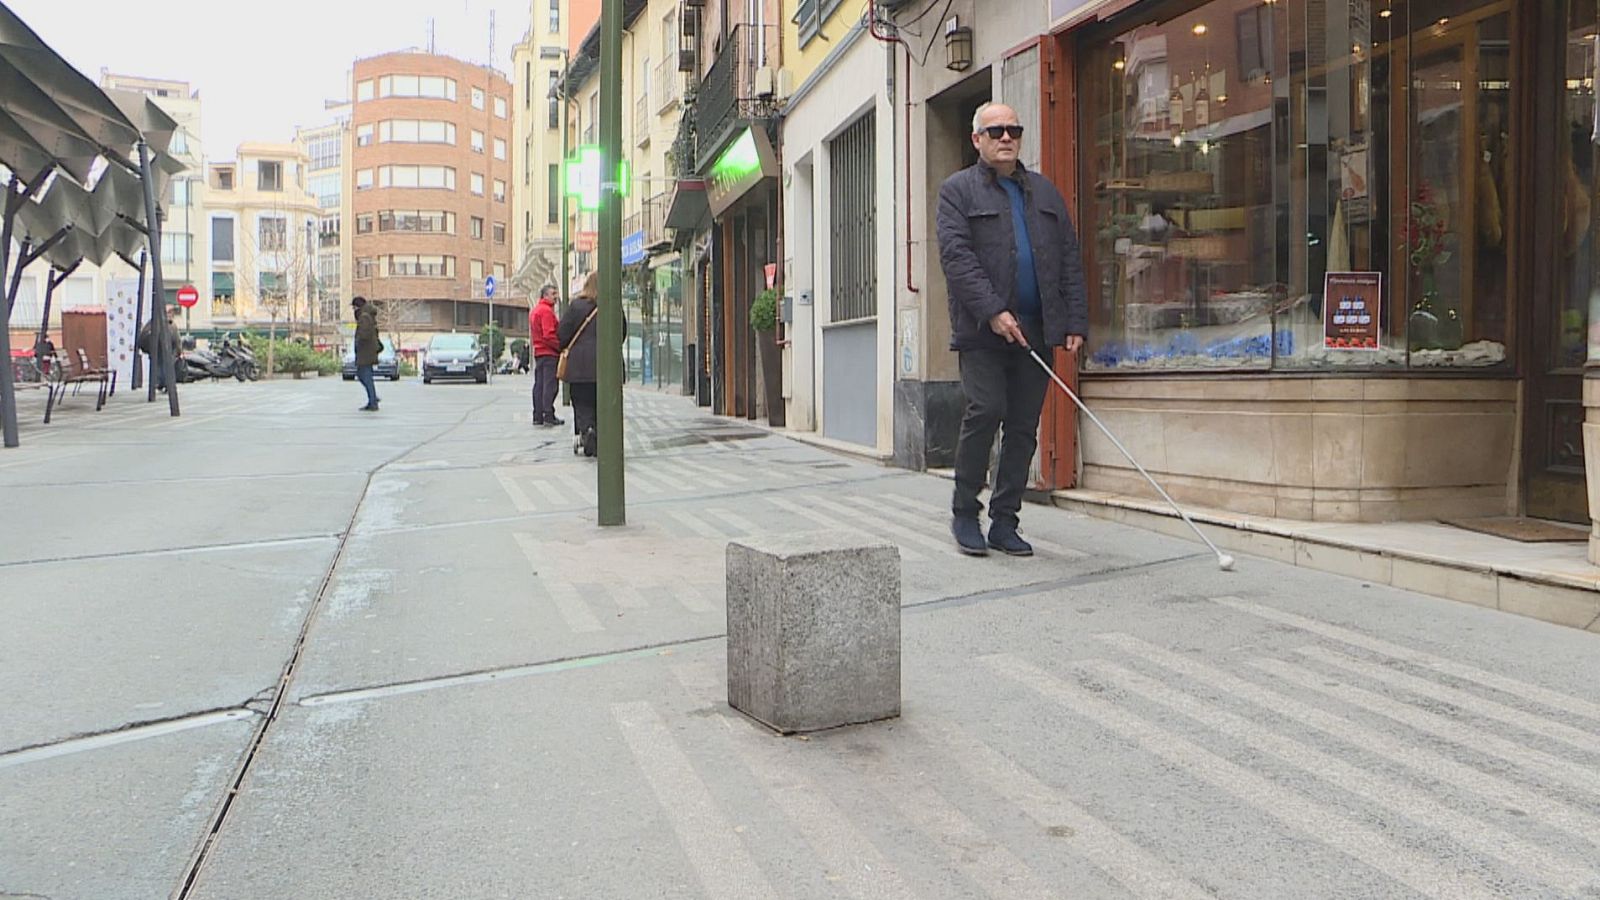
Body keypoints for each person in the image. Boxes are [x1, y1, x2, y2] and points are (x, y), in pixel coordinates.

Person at [937, 102, 1088, 557]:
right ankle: (966, 513)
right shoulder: (956, 191)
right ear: (977, 139)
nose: (1007, 138)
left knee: (1023, 428)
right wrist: (993, 311)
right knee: (985, 410)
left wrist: (1074, 321)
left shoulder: (1044, 193)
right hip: (983, 331)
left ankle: (1005, 521)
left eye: (1014, 130)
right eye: (996, 131)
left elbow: (1068, 258)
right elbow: (956, 259)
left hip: (1036, 331)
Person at [557, 271, 626, 457]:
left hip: (580, 367)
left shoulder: (576, 306)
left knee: (582, 403)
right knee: (603, 403)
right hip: (607, 367)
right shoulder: (613, 306)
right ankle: (600, 434)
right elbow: (622, 334)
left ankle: (587, 430)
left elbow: (561, 335)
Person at [529, 284, 563, 427]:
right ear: (545, 296)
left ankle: (538, 415)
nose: (556, 296)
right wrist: (560, 346)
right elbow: (548, 334)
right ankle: (548, 414)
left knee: (540, 384)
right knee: (550, 385)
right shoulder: (547, 312)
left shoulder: (535, 311)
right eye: (553, 293)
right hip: (549, 353)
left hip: (539, 352)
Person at [351, 295, 381, 412]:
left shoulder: (364, 317)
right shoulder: (368, 315)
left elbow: (364, 334)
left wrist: (358, 342)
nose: (354, 311)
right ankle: (373, 398)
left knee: (366, 376)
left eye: (354, 308)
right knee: (363, 375)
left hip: (365, 352)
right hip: (368, 352)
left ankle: (373, 401)